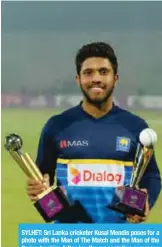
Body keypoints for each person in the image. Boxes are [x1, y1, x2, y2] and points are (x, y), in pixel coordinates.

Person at [26, 42, 161, 223]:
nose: (96, 78)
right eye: (88, 73)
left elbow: (151, 176)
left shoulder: (135, 126)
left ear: (115, 78)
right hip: (70, 237)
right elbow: (42, 180)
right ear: (78, 79)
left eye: (103, 72)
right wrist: (38, 192)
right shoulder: (57, 126)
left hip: (118, 237)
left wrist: (146, 203)